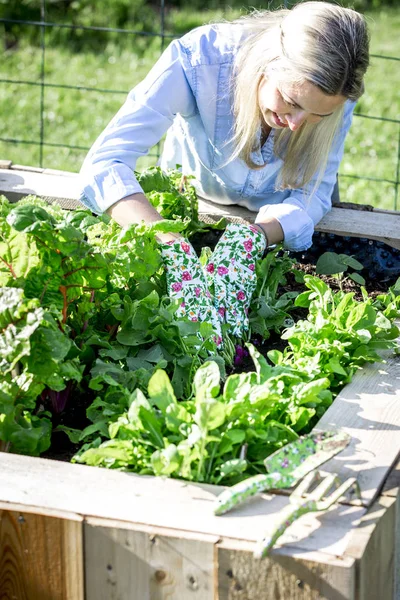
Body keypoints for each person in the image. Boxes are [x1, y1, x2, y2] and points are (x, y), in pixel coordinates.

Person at [79, 2, 370, 340]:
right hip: (198, 203)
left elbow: (314, 193)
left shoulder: (336, 93)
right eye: (291, 101)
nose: (295, 123)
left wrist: (256, 237)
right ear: (269, 61)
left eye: (316, 116)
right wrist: (169, 241)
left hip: (275, 226)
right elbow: (106, 162)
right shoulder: (199, 59)